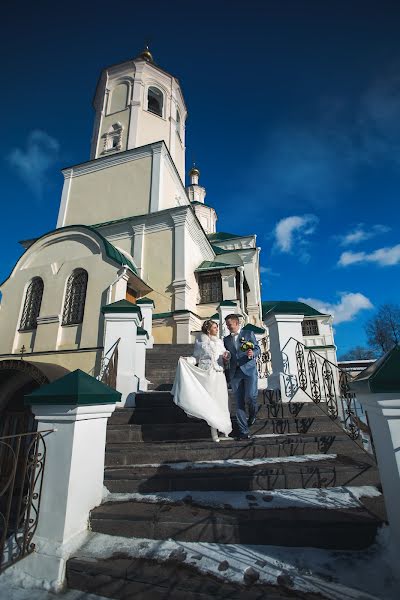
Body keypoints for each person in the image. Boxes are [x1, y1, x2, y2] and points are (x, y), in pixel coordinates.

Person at [171, 320, 232, 442]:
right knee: (210, 401)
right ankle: (214, 432)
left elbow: (226, 354)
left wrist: (226, 356)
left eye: (217, 327)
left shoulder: (219, 342)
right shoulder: (201, 342)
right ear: (208, 329)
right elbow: (195, 357)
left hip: (219, 374)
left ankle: (222, 427)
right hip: (207, 375)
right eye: (214, 327)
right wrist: (186, 360)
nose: (217, 329)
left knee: (221, 401)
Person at [223, 314, 260, 440]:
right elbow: (227, 354)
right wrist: (226, 357)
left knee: (251, 397)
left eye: (229, 324)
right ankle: (244, 431)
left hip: (249, 370)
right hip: (235, 373)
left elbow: (257, 348)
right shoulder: (226, 339)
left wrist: (252, 352)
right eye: (227, 325)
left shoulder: (249, 333)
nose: (228, 326)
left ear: (237, 323)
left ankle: (253, 414)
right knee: (239, 403)